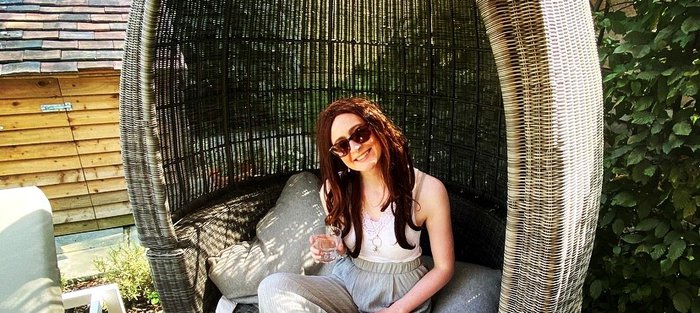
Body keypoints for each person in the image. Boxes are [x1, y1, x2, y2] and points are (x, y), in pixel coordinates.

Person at [258, 97, 454, 313]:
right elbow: (342, 249)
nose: (355, 147)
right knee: (272, 287)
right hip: (347, 285)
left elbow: (444, 268)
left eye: (360, 133)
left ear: (378, 128)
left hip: (400, 296)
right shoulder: (334, 191)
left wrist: (396, 310)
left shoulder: (428, 190)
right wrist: (336, 248)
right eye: (342, 145)